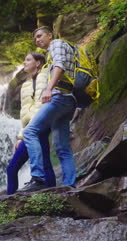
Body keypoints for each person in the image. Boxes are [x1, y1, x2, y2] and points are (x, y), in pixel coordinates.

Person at [21, 26, 77, 192]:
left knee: (30, 132)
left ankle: (38, 178)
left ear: (50, 35)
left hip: (59, 97)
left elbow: (59, 65)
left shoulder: (57, 44)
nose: (37, 40)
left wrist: (48, 89)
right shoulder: (54, 50)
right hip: (68, 100)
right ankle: (69, 186)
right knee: (62, 148)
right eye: (35, 39)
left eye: (39, 36)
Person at [6, 52, 56, 195]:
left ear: (38, 63)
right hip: (30, 129)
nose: (24, 62)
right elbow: (24, 113)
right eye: (24, 60)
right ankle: (10, 201)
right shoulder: (25, 85)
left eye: (28, 60)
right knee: (13, 168)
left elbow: (41, 104)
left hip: (41, 124)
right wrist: (22, 136)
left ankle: (51, 197)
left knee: (43, 163)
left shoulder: (47, 75)